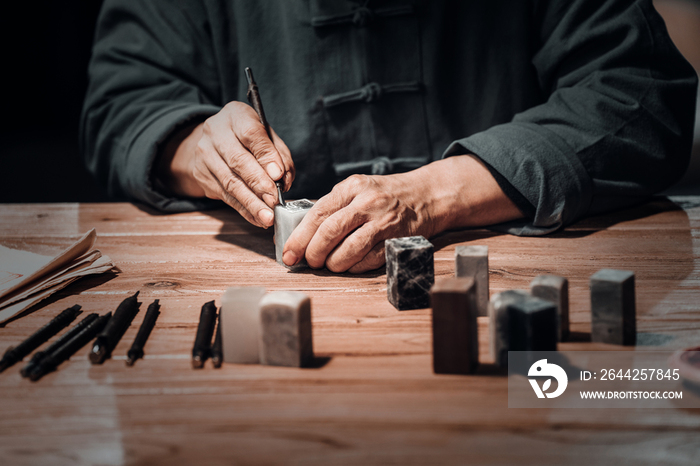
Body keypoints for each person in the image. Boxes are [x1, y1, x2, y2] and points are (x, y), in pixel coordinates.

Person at [81, 0, 698, 273]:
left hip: (500, 286)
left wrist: (435, 195)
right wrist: (195, 146)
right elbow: (121, 103)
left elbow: (640, 92)